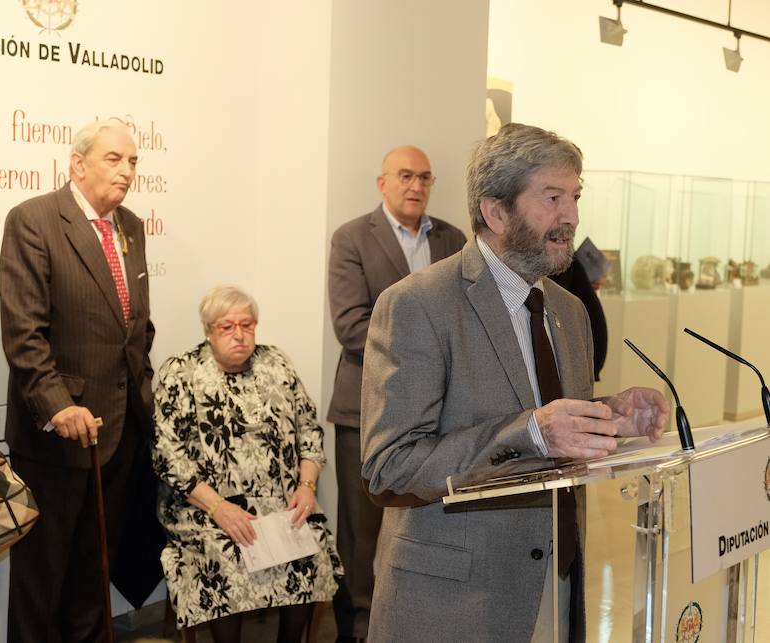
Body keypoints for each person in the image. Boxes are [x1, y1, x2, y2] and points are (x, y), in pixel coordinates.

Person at [360, 124, 670, 643]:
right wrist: (531, 433)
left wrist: (609, 416)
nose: (570, 216)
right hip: (455, 602)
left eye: (574, 197)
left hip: (557, 584)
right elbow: (389, 469)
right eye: (552, 198)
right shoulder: (417, 305)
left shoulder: (569, 312)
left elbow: (543, 412)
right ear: (496, 212)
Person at [0, 120, 159, 642]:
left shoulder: (131, 225)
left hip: (117, 436)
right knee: (42, 582)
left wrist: (145, 403)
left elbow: (137, 329)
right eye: (114, 159)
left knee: (94, 578)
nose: (127, 171)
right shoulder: (35, 221)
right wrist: (57, 405)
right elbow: (25, 334)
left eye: (133, 161)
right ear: (78, 163)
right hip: (57, 437)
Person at [326, 145, 465, 642]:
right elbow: (351, 328)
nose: (416, 186)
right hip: (364, 408)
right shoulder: (351, 239)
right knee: (362, 533)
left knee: (430, 521)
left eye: (425, 177)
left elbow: (465, 322)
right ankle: (359, 630)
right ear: (382, 182)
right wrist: (430, 352)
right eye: (405, 175)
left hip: (441, 414)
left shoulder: (452, 238)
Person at [153, 285, 343, 643]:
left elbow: (310, 433)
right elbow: (168, 457)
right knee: (227, 555)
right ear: (208, 331)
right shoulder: (180, 373)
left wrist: (306, 487)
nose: (240, 335)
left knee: (309, 548)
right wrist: (219, 508)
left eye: (247, 325)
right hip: (206, 509)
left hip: (279, 502)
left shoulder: (277, 363)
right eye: (227, 327)